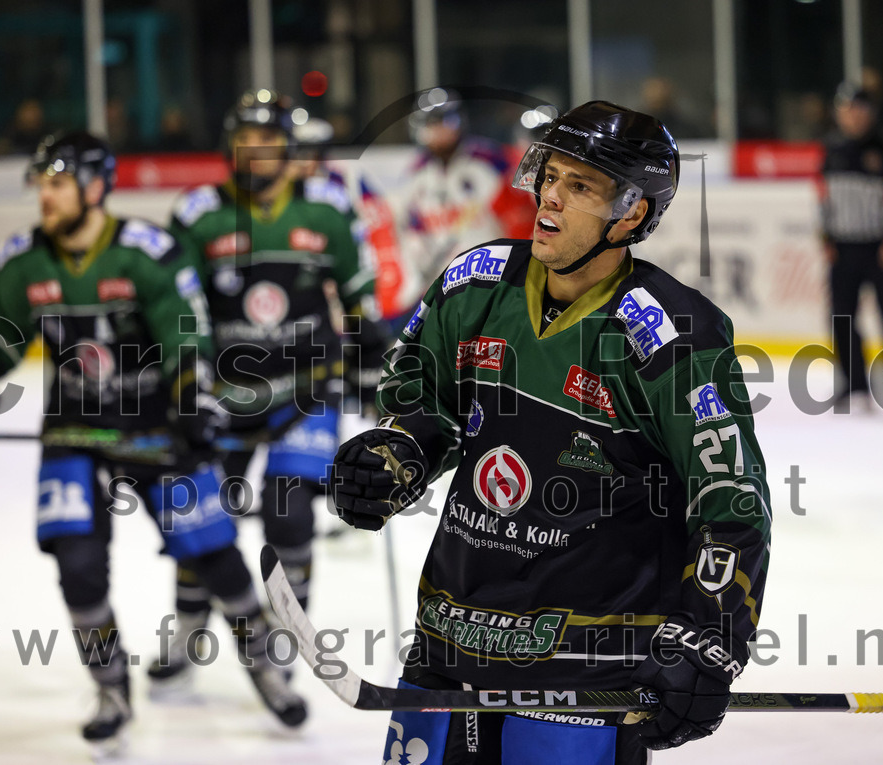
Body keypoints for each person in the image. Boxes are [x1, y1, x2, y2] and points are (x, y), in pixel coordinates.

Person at [329, 101, 772, 763]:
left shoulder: (671, 340)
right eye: (551, 175)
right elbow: (424, 405)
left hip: (588, 665)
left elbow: (731, 501)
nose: (551, 198)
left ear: (632, 214)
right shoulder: (473, 286)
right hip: (451, 637)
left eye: (581, 186)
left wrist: (709, 639)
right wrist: (397, 451)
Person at [0, 131, 306, 749]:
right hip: (75, 433)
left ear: (94, 187)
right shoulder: (21, 260)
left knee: (216, 556)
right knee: (77, 567)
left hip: (155, 430)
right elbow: (0, 343)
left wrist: (194, 407)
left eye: (58, 184)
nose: (46, 197)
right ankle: (111, 687)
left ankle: (266, 667)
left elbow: (185, 340)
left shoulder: (148, 253)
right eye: (43, 185)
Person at [147, 89, 386, 704]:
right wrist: (182, 382)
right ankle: (190, 631)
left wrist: (373, 361)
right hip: (223, 396)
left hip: (306, 390)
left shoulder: (328, 210)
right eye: (244, 141)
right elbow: (178, 308)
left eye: (268, 141)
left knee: (289, 512)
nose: (256, 152)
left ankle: (284, 640)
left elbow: (360, 296)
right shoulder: (198, 213)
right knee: (201, 517)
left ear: (288, 148)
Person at [393, 88, 537, 322]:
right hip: (444, 288)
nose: (439, 132)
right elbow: (408, 232)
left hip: (495, 283)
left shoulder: (490, 163)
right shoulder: (416, 176)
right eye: (432, 125)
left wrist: (519, 275)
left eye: (446, 122)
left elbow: (521, 223)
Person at [818, 83, 883, 409]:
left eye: (859, 111)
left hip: (879, 246)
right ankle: (854, 384)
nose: (854, 117)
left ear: (869, 114)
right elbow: (823, 198)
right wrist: (826, 238)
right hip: (843, 247)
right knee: (842, 317)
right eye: (848, 111)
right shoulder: (832, 149)